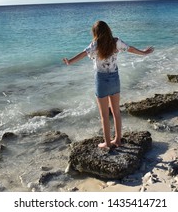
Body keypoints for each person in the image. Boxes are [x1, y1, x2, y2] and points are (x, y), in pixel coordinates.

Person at [63, 20, 154, 149]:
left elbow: (83, 54)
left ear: (96, 33)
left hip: (101, 80)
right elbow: (130, 49)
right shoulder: (116, 42)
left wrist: (70, 61)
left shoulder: (95, 44)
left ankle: (108, 143)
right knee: (116, 112)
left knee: (104, 115)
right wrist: (144, 53)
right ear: (108, 30)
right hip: (114, 78)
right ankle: (117, 140)